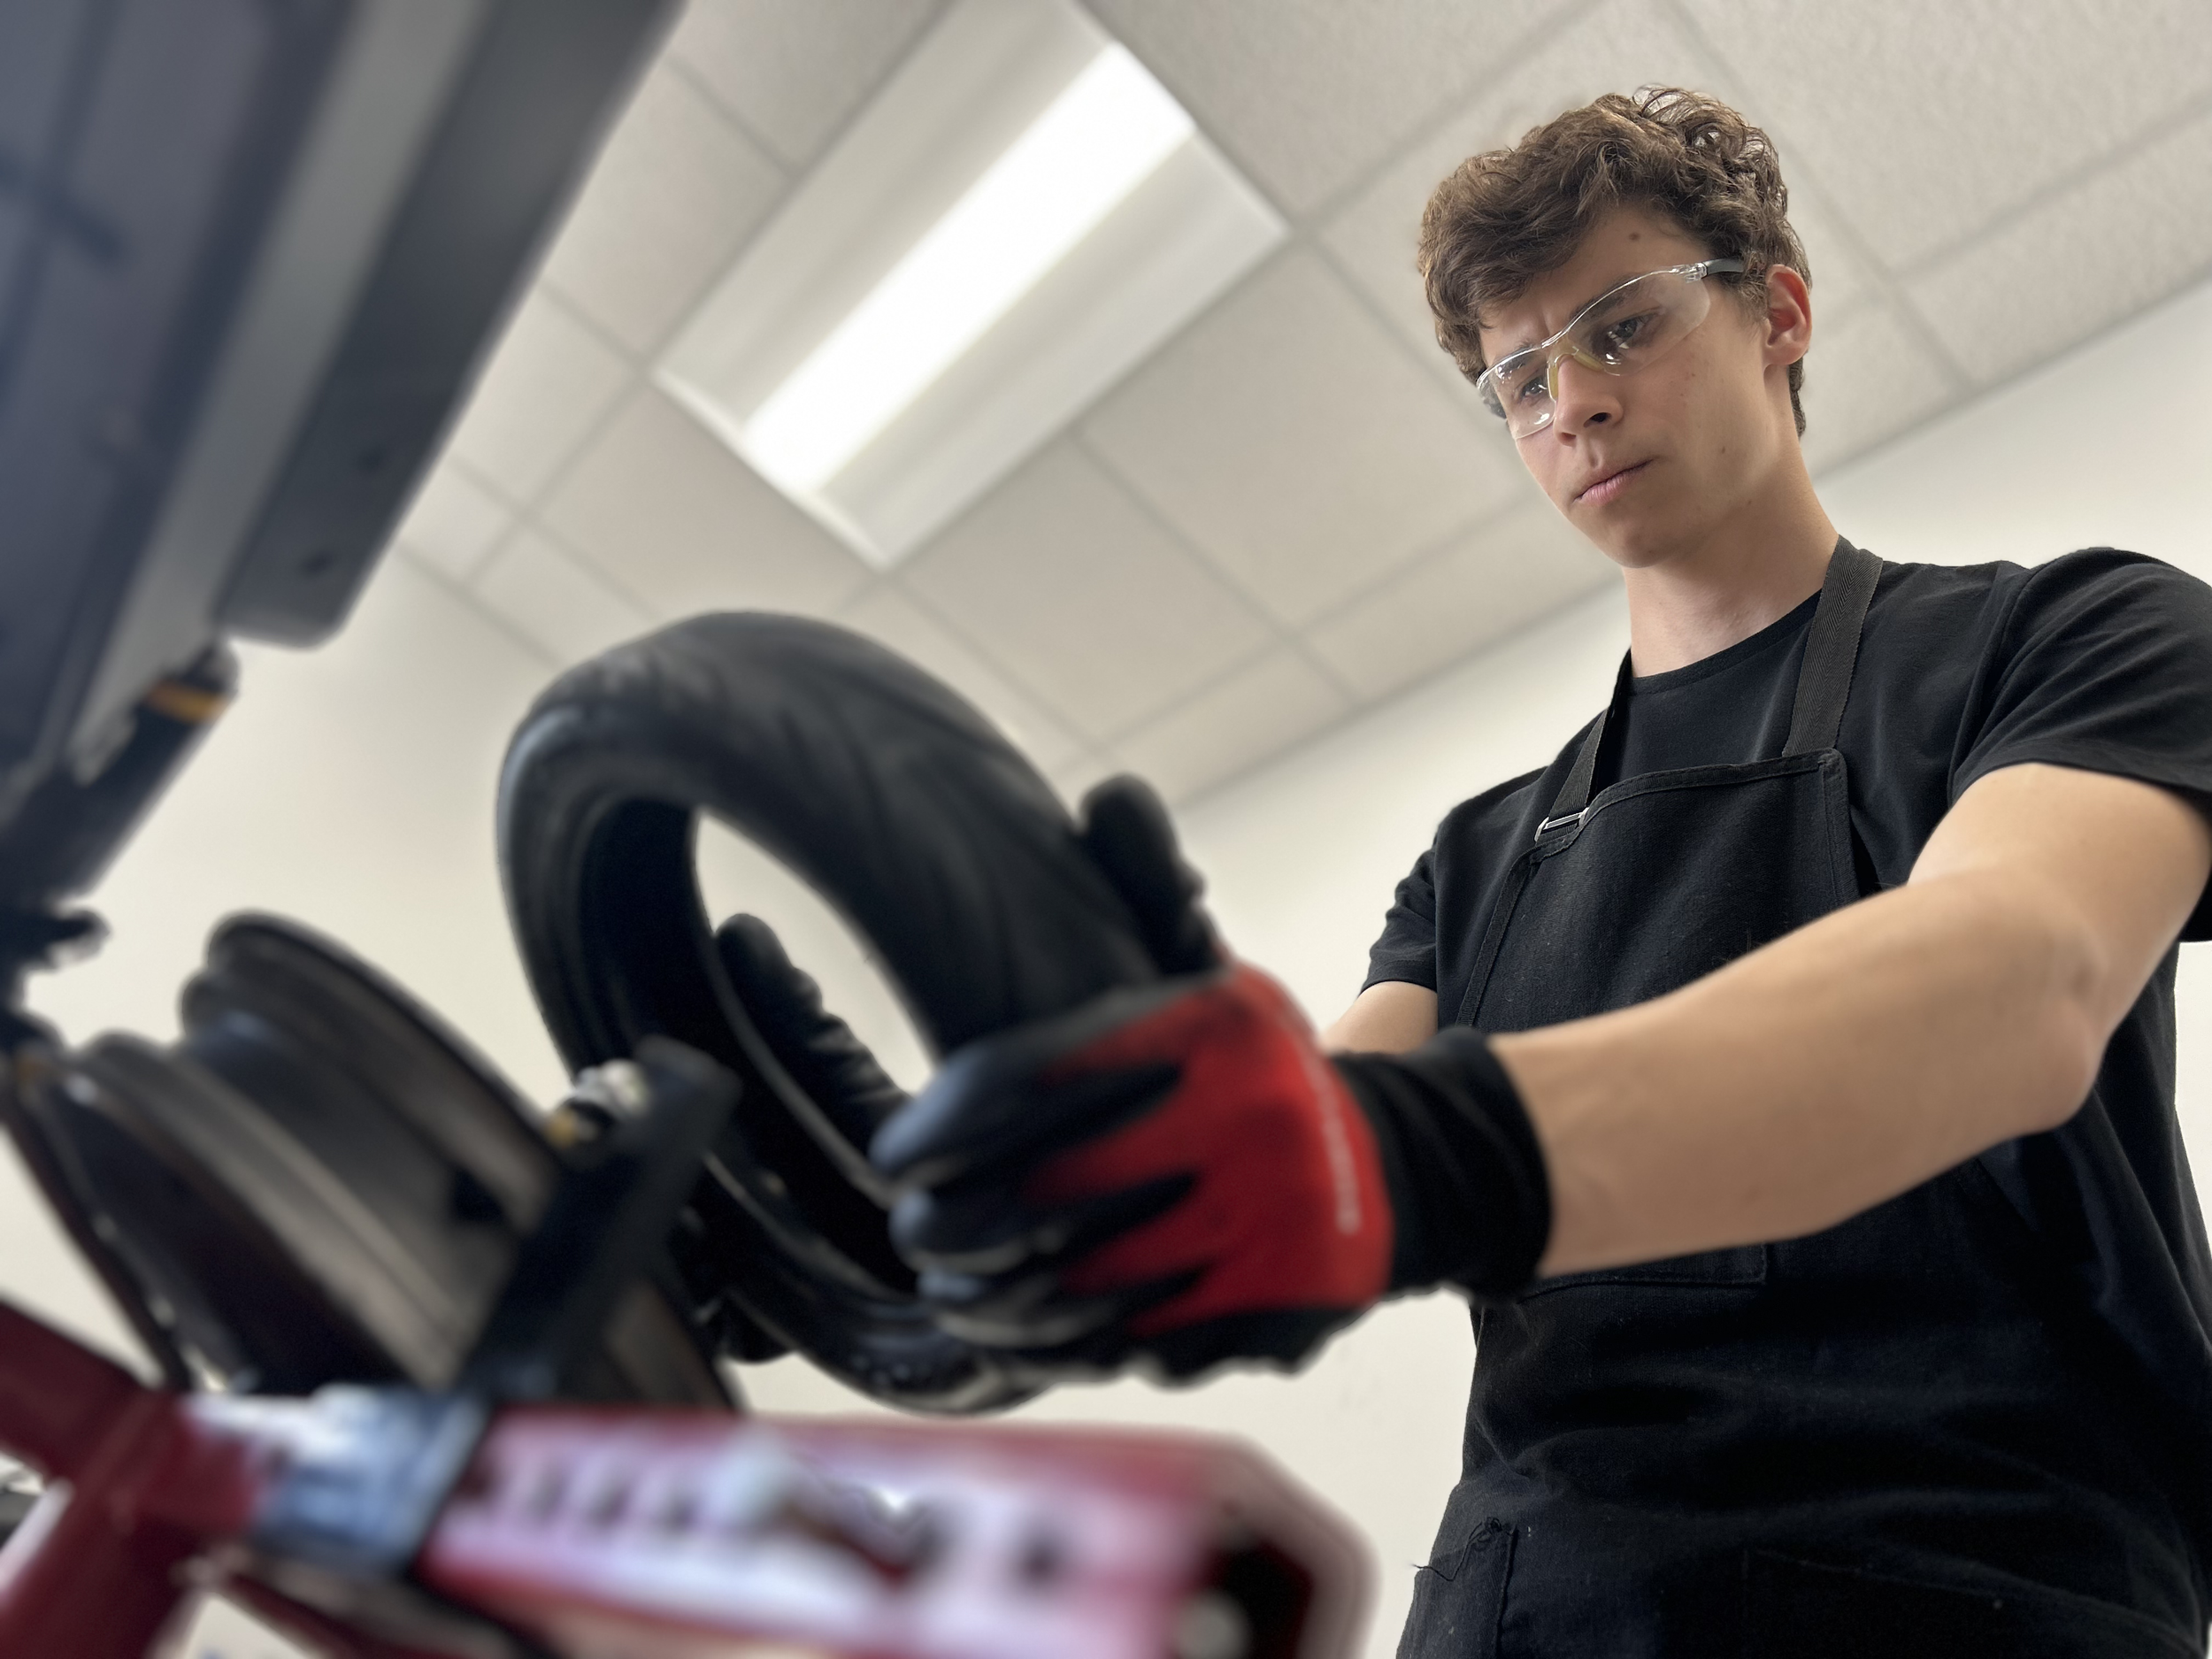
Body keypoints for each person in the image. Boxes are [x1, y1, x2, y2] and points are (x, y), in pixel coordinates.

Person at [727, 89, 2212, 1655]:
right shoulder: (1479, 852)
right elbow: (1273, 1170)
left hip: (1980, 1603)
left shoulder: (2071, 642)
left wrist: (1408, 1162)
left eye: (1621, 327)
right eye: (1517, 376)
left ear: (1778, 313)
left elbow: (2014, 975)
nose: (1569, 400)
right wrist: (885, 1211)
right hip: (1529, 1612)